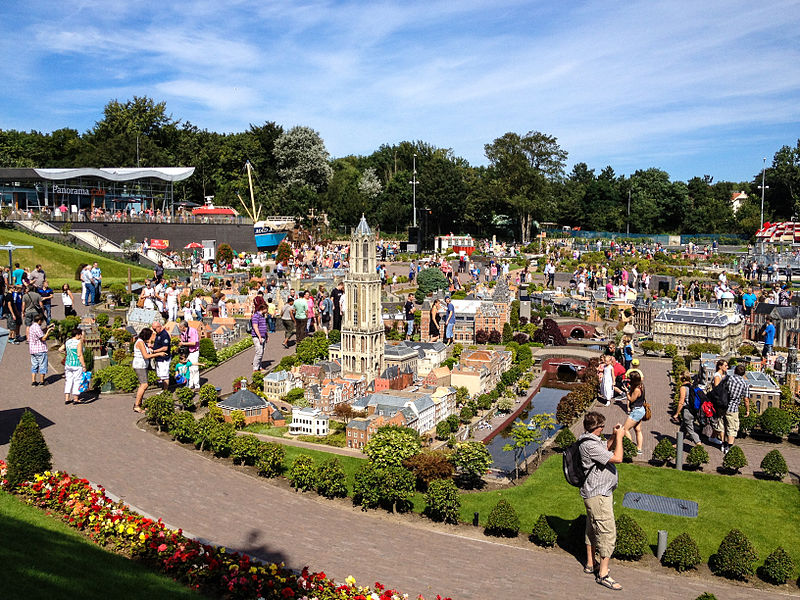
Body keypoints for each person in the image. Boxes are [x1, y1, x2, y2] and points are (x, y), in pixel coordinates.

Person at [578, 411, 625, 591]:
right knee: (607, 533)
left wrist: (613, 435)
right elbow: (617, 458)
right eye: (603, 428)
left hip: (595, 493)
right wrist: (620, 438)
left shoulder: (590, 440)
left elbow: (604, 449)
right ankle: (604, 574)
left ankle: (591, 564)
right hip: (598, 495)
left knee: (591, 528)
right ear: (598, 428)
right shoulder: (589, 445)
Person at [132, 327, 167, 412]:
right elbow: (146, 356)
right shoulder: (140, 342)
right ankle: (137, 405)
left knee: (143, 384)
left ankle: (139, 404)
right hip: (140, 365)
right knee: (144, 385)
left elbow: (147, 351)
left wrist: (150, 346)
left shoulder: (142, 342)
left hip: (142, 365)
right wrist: (159, 354)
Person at [718, 365, 750, 455]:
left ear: (735, 371)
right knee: (732, 428)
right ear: (744, 373)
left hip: (722, 406)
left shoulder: (727, 378)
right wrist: (747, 410)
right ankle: (728, 447)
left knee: (722, 426)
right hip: (733, 408)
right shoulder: (744, 384)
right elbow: (746, 399)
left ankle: (722, 444)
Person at [671, 371, 701, 445]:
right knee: (683, 428)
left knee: (690, 430)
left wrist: (677, 413)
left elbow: (681, 402)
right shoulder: (692, 386)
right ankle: (678, 443)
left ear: (682, 378)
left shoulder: (683, 388)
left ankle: (698, 444)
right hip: (693, 410)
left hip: (687, 411)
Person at [622, 371, 646, 455]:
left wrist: (626, 392)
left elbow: (631, 399)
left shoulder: (636, 389)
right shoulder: (641, 385)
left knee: (625, 429)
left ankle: (630, 447)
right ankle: (639, 449)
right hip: (641, 409)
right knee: (637, 429)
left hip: (636, 411)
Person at [28, 314, 54, 386]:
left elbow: (40, 332)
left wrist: (47, 327)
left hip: (33, 350)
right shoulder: (37, 328)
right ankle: (42, 381)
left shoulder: (32, 327)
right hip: (40, 349)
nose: (41, 322)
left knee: (34, 365)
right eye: (41, 321)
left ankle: (34, 381)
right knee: (43, 365)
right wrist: (48, 331)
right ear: (39, 320)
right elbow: (43, 338)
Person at [63, 327, 86, 404]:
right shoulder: (78, 342)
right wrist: (84, 365)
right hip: (76, 364)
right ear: (77, 335)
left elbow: (61, 349)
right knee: (77, 381)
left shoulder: (67, 341)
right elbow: (79, 354)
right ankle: (76, 398)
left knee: (68, 380)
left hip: (68, 363)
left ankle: (67, 398)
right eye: (80, 335)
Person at [178, 320, 201, 390]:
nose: (179, 328)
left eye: (180, 327)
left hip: (194, 351)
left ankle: (197, 385)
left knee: (194, 368)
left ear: (183, 327)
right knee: (189, 369)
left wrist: (183, 344)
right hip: (187, 352)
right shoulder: (182, 333)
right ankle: (190, 384)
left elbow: (193, 343)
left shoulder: (192, 331)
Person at [151, 320, 172, 391]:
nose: (154, 331)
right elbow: (158, 344)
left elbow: (165, 348)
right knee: (161, 376)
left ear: (159, 327)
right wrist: (152, 346)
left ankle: (165, 391)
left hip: (164, 359)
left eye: (154, 329)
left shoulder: (164, 335)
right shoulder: (158, 334)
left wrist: (154, 351)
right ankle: (163, 389)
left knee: (165, 376)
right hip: (159, 358)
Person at [251, 303, 268, 372]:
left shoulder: (263, 316)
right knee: (259, 352)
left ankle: (259, 367)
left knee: (262, 352)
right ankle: (255, 368)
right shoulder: (256, 316)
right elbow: (255, 327)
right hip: (257, 337)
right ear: (263, 309)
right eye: (266, 309)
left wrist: (266, 336)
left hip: (263, 336)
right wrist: (259, 337)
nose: (267, 310)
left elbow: (264, 326)